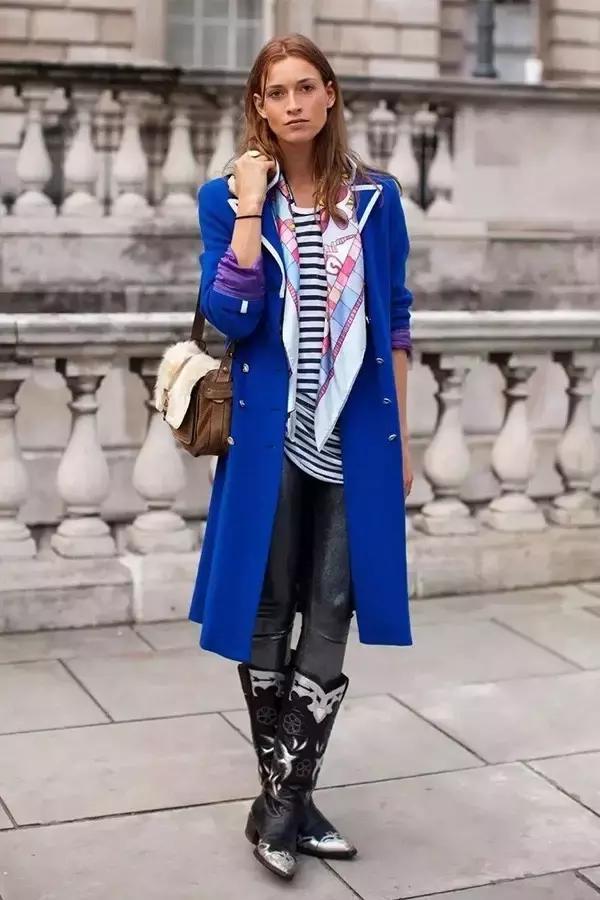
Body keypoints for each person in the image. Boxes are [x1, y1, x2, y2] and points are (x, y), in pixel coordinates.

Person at [189, 33, 414, 882]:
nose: (292, 104)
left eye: (305, 87)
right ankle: (291, 805)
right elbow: (233, 316)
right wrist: (251, 208)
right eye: (276, 91)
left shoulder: (377, 199)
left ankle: (280, 806)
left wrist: (403, 438)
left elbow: (396, 318)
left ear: (329, 96)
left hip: (355, 435)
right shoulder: (225, 199)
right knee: (267, 603)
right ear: (259, 105)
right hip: (269, 438)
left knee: (332, 607)